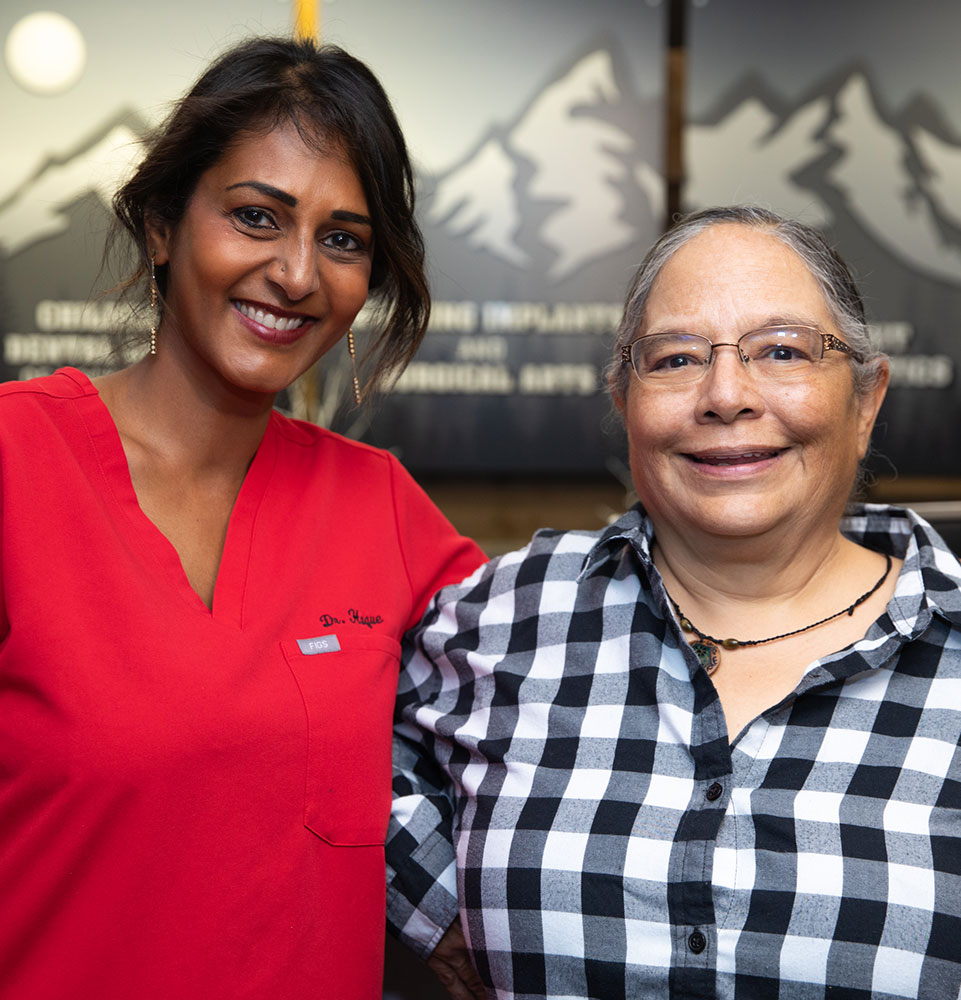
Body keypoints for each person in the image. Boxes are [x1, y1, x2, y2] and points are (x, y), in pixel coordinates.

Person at [0, 36, 485, 1000]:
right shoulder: (17, 465)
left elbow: (557, 685)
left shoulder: (381, 505)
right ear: (161, 226)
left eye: (343, 239)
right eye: (256, 217)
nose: (298, 273)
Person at [387, 206, 961, 998]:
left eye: (782, 350)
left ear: (864, 401)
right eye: (676, 359)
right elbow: (329, 732)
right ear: (623, 401)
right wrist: (436, 908)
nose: (725, 395)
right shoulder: (510, 616)